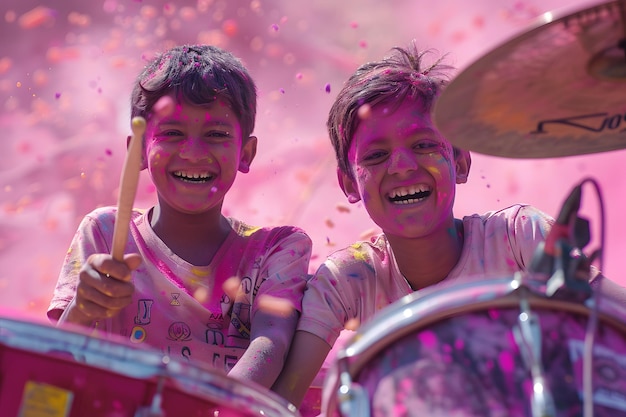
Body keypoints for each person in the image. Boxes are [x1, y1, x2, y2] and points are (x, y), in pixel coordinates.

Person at [271, 41, 625, 412]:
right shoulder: (348, 278)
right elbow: (282, 400)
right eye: (376, 155)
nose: (403, 165)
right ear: (348, 184)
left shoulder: (521, 237)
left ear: (460, 162)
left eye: (424, 144)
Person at [47, 44, 312, 389]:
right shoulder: (105, 232)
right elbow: (56, 363)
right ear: (139, 153)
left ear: (246, 153)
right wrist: (84, 306)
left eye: (216, 134)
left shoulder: (277, 249)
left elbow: (271, 344)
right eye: (172, 134)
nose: (193, 152)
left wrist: (215, 408)